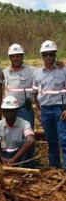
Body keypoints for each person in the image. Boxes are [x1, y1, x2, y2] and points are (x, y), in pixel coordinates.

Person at [33, 40, 66, 170]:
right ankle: (55, 167)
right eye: (45, 55)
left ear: (55, 55)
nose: (48, 58)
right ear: (42, 56)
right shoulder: (38, 73)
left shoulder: (63, 70)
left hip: (59, 109)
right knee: (51, 141)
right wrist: (38, 109)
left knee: (64, 139)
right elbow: (35, 93)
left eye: (51, 54)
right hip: (45, 110)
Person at [0, 96, 35, 167]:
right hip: (4, 154)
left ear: (17, 111)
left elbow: (31, 140)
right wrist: (1, 158)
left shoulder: (24, 124)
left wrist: (14, 158)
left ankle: (24, 167)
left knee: (27, 142)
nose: (9, 114)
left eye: (12, 111)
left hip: (18, 154)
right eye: (6, 111)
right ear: (3, 112)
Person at [2, 44, 36, 129]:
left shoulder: (32, 71)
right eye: (13, 56)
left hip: (25, 109)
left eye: (18, 56)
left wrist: (56, 63)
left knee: (27, 133)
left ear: (22, 56)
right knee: (11, 133)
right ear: (10, 58)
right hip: (10, 110)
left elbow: (47, 69)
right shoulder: (4, 72)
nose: (15, 58)